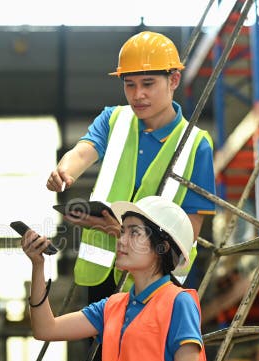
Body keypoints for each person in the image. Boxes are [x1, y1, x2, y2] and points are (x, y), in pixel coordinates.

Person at [22, 196, 212, 361]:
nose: (121, 241)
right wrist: (38, 266)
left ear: (163, 247)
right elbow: (46, 328)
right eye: (123, 232)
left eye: (134, 233)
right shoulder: (113, 307)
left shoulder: (179, 303)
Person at [46, 30, 216, 298]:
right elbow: (81, 154)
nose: (138, 95)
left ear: (173, 80)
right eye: (130, 84)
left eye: (148, 84)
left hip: (155, 282)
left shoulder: (197, 145)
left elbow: (191, 230)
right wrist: (63, 172)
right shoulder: (114, 120)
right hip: (101, 276)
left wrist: (121, 232)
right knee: (102, 342)